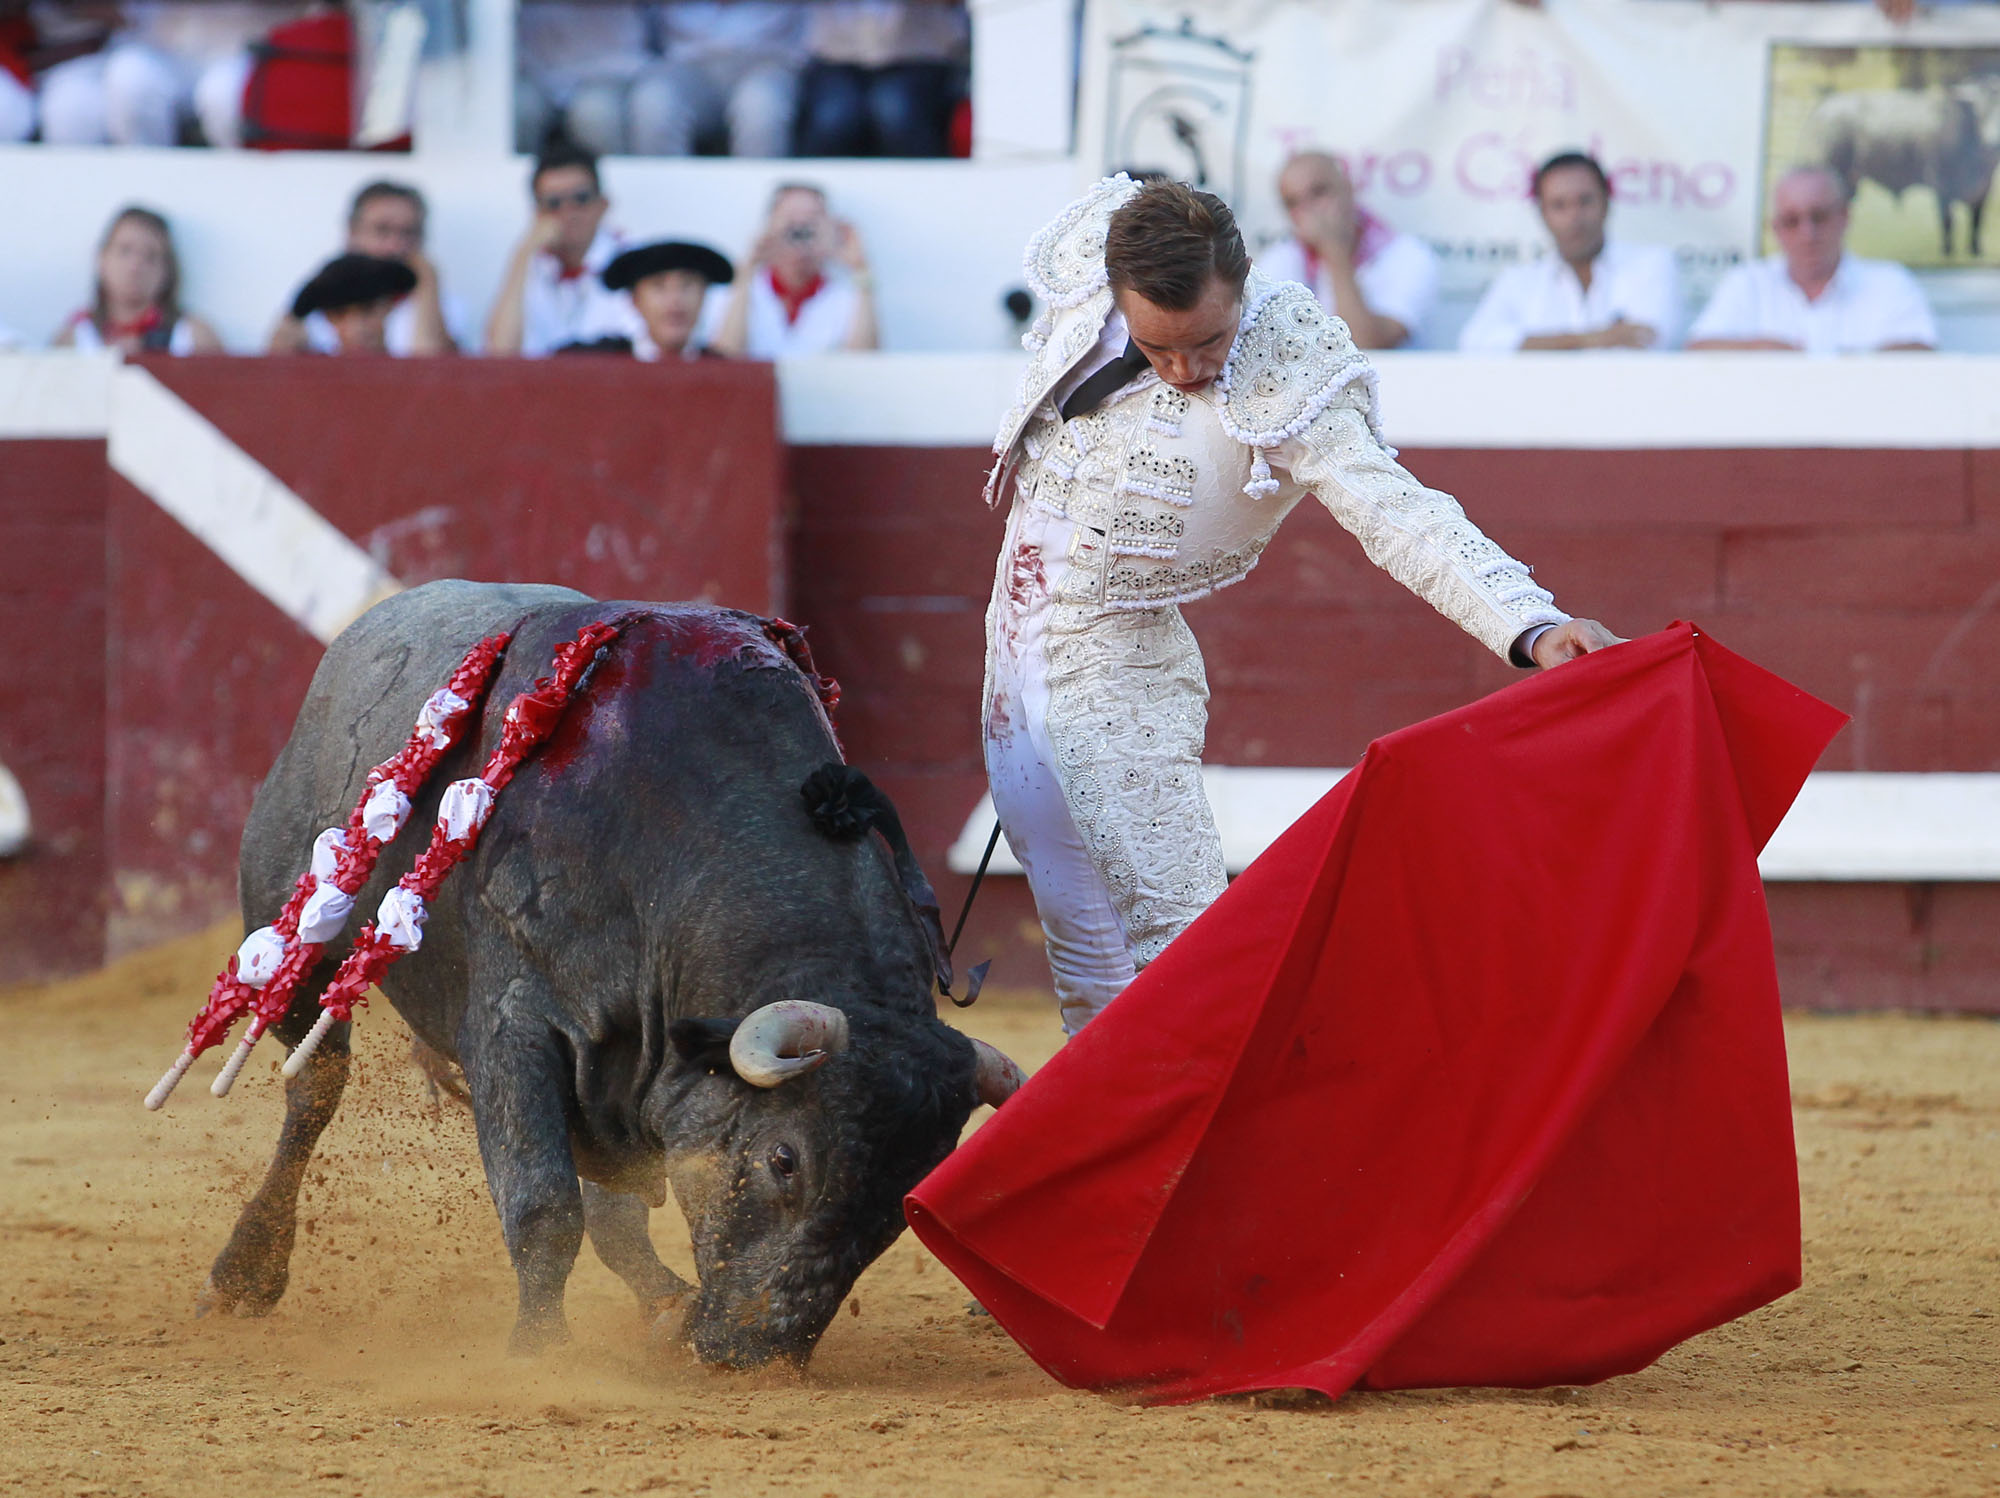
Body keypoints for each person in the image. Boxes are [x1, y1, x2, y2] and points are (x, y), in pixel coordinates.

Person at [983, 176, 1619, 1035]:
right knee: (1078, 933)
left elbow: (1398, 513)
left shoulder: (1288, 361)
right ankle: (1116, 1155)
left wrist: (1531, 624)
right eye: (1155, 345)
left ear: (1242, 289)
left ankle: (1217, 1147)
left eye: (1205, 342)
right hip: (1007, 651)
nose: (1181, 371)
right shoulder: (1092, 264)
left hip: (1120, 666)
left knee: (1182, 946)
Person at [1686, 166, 1936, 354]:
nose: (1808, 234)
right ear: (1776, 229)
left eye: (1819, 217)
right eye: (1792, 221)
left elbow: (1921, 353)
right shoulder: (1747, 283)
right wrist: (1760, 350)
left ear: (1844, 217)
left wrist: (1826, 367)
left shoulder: (1889, 283)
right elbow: (1699, 350)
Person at [1458, 151, 1682, 352]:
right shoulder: (1519, 281)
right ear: (1542, 213)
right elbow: (1475, 343)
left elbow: (1647, 342)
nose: (1574, 217)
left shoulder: (1650, 265)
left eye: (1585, 201)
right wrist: (1592, 339)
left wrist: (1540, 346)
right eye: (1559, 205)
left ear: (1606, 203)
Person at [1258, 150, 1439, 350]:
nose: (1308, 209)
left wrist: (1334, 250)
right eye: (1293, 203)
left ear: (1348, 188)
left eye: (1318, 192)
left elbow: (1364, 346)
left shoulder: (1409, 256)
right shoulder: (1280, 259)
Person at [484, 134, 644, 357]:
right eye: (553, 203)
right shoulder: (528, 266)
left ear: (603, 204)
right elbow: (499, 354)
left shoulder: (637, 264)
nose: (568, 213)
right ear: (537, 214)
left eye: (580, 198)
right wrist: (523, 252)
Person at [269, 181, 469, 356]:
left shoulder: (442, 303)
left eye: (409, 233)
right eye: (382, 230)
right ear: (352, 232)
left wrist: (427, 278)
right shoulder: (320, 294)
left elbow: (432, 369)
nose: (395, 246)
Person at [711, 182, 878, 357]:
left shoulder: (848, 299)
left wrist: (861, 270)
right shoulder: (734, 293)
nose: (801, 227)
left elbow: (864, 365)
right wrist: (746, 273)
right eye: (790, 218)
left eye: (812, 219)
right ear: (769, 227)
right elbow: (725, 359)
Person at [793, 0, 969, 159]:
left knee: (896, 112)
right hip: (834, 56)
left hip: (917, 56)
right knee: (832, 120)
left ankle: (926, 189)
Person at [52, 205, 223, 355]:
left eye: (151, 256)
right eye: (124, 251)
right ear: (102, 259)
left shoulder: (195, 338)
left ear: (167, 271)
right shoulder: (72, 340)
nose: (135, 266)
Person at [601, 239, 734, 360]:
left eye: (687, 284)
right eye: (658, 285)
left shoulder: (722, 369)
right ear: (634, 300)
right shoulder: (602, 360)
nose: (675, 299)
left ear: (703, 295)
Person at [289, 252, 417, 355]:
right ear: (328, 318)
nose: (356, 328)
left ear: (389, 306)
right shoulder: (314, 376)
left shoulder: (411, 370)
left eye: (367, 310)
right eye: (340, 314)